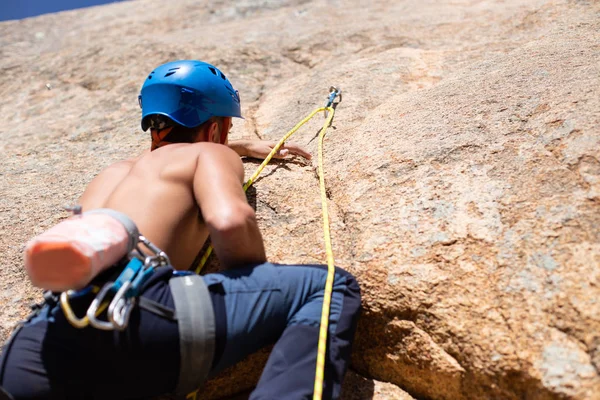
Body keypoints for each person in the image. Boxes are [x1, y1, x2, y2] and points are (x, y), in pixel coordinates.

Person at [0, 60, 361, 400]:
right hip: (144, 319)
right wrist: (253, 285)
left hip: (41, 341)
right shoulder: (212, 154)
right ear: (216, 127)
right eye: (228, 128)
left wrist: (242, 145)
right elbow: (229, 220)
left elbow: (167, 157)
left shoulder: (112, 173)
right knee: (329, 287)